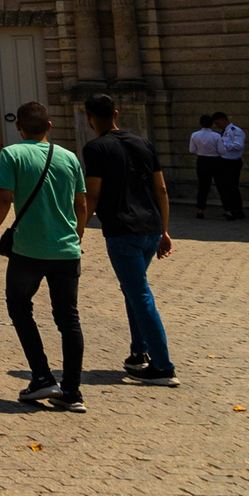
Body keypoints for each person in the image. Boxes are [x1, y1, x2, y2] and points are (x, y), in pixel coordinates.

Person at [0, 100, 90, 411]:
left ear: (19, 127)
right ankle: (72, 392)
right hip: (67, 249)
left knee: (19, 306)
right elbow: (81, 204)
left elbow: (3, 198)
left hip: (27, 249)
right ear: (50, 127)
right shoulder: (69, 157)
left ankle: (41, 376)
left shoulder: (13, 153)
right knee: (68, 318)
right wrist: (77, 234)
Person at [81, 93, 178, 386]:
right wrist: (164, 230)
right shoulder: (143, 143)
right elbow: (161, 190)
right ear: (116, 113)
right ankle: (139, 353)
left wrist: (79, 228)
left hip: (123, 231)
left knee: (139, 294)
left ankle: (163, 366)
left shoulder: (95, 148)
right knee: (133, 290)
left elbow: (93, 194)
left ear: (89, 117)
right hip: (150, 229)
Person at [188, 114, 223, 219]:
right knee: (221, 185)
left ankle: (200, 210)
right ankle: (228, 210)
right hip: (215, 160)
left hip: (202, 161)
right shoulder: (216, 136)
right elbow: (222, 150)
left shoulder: (195, 135)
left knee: (203, 187)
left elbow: (192, 150)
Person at [215, 113, 248, 220]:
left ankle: (237, 210)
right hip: (224, 161)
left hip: (232, 162)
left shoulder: (235, 130)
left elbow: (239, 145)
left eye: (218, 123)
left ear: (223, 120)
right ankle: (231, 209)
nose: (217, 125)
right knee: (227, 187)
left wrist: (223, 146)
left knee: (232, 187)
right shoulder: (225, 131)